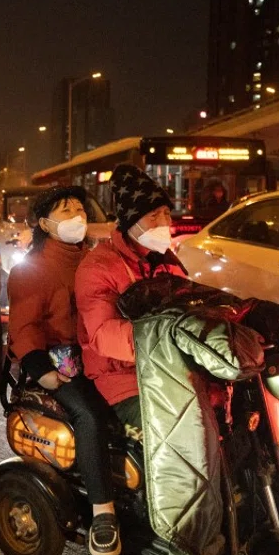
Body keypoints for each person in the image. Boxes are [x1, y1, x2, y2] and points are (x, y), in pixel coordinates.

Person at [7, 186, 121, 555]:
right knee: (88, 415)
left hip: (99, 355)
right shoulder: (33, 268)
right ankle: (103, 512)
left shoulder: (94, 258)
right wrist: (41, 370)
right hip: (59, 362)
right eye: (66, 210)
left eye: (79, 209)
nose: (77, 216)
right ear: (45, 223)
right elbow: (24, 327)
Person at [75, 164, 186, 430]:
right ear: (130, 222)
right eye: (153, 216)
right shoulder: (99, 267)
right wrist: (166, 342)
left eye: (166, 214)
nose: (163, 223)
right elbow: (103, 333)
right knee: (177, 432)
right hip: (122, 379)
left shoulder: (168, 263)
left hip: (168, 373)